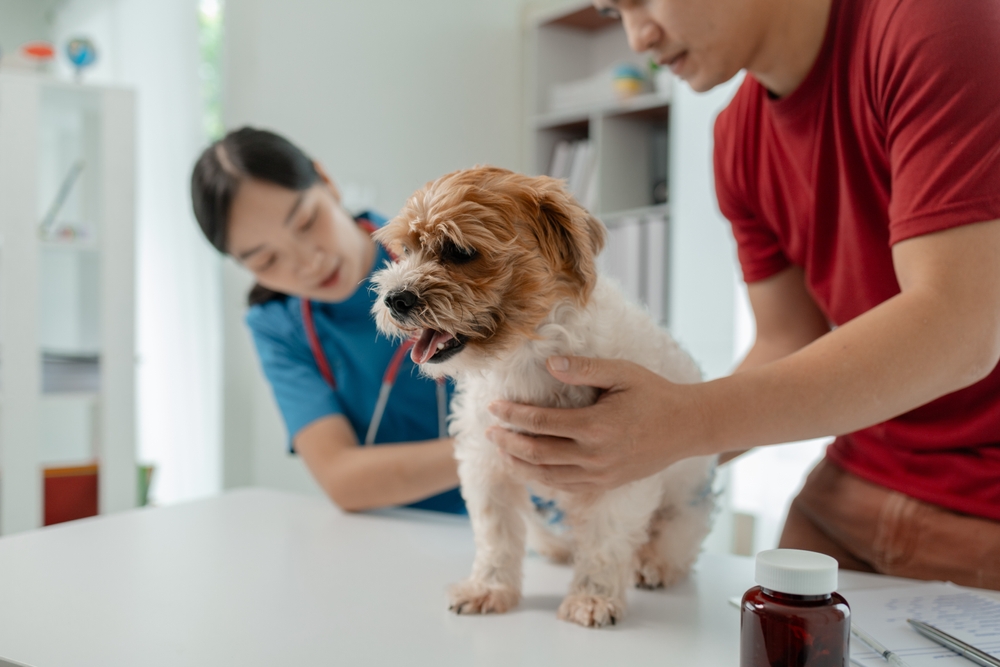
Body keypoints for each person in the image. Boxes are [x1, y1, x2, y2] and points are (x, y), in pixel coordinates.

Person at [488, 0, 1000, 588]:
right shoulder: (736, 138)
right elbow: (786, 337)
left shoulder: (937, 22)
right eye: (614, 11)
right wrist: (637, 449)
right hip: (850, 487)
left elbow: (960, 329)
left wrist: (683, 425)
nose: (639, 36)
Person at [191, 127, 464, 514]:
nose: (308, 262)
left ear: (327, 182)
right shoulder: (278, 325)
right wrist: (491, 446)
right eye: (266, 261)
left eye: (305, 222)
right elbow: (341, 480)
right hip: (394, 533)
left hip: (531, 518)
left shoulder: (448, 251)